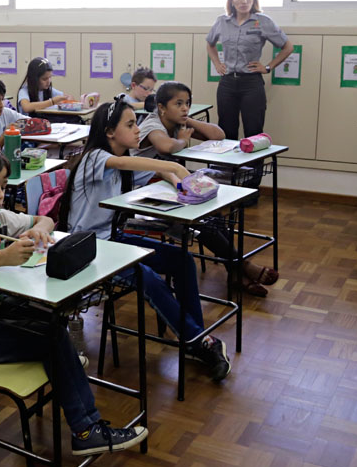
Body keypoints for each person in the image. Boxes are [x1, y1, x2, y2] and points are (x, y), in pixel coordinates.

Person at [0, 145, 148, 456]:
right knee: (51, 337)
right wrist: (3, 257)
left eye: (3, 186)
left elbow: (44, 219)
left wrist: (40, 231)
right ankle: (86, 430)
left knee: (50, 317)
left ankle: (67, 367)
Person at [60, 99, 231, 380]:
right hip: (89, 250)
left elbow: (158, 170)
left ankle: (195, 340)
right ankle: (200, 342)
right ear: (109, 132)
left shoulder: (126, 158)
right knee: (147, 278)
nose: (138, 130)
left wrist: (180, 181)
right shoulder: (94, 158)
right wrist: (174, 167)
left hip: (114, 240)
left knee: (182, 260)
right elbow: (127, 163)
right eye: (130, 125)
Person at [137, 82, 279, 296]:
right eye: (178, 104)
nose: (185, 108)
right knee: (201, 221)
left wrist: (187, 120)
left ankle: (236, 270)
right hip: (143, 190)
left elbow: (218, 135)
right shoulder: (153, 124)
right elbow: (166, 146)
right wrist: (182, 141)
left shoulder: (177, 122)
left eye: (187, 103)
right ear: (161, 108)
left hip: (167, 184)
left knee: (212, 213)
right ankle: (241, 266)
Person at [206, 0, 294, 141]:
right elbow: (210, 44)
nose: (244, 1)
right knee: (226, 131)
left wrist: (267, 67)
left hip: (251, 84)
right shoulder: (222, 21)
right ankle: (228, 159)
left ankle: (254, 159)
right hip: (227, 83)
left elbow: (287, 47)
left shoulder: (263, 21)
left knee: (254, 132)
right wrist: (217, 64)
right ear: (231, 0)